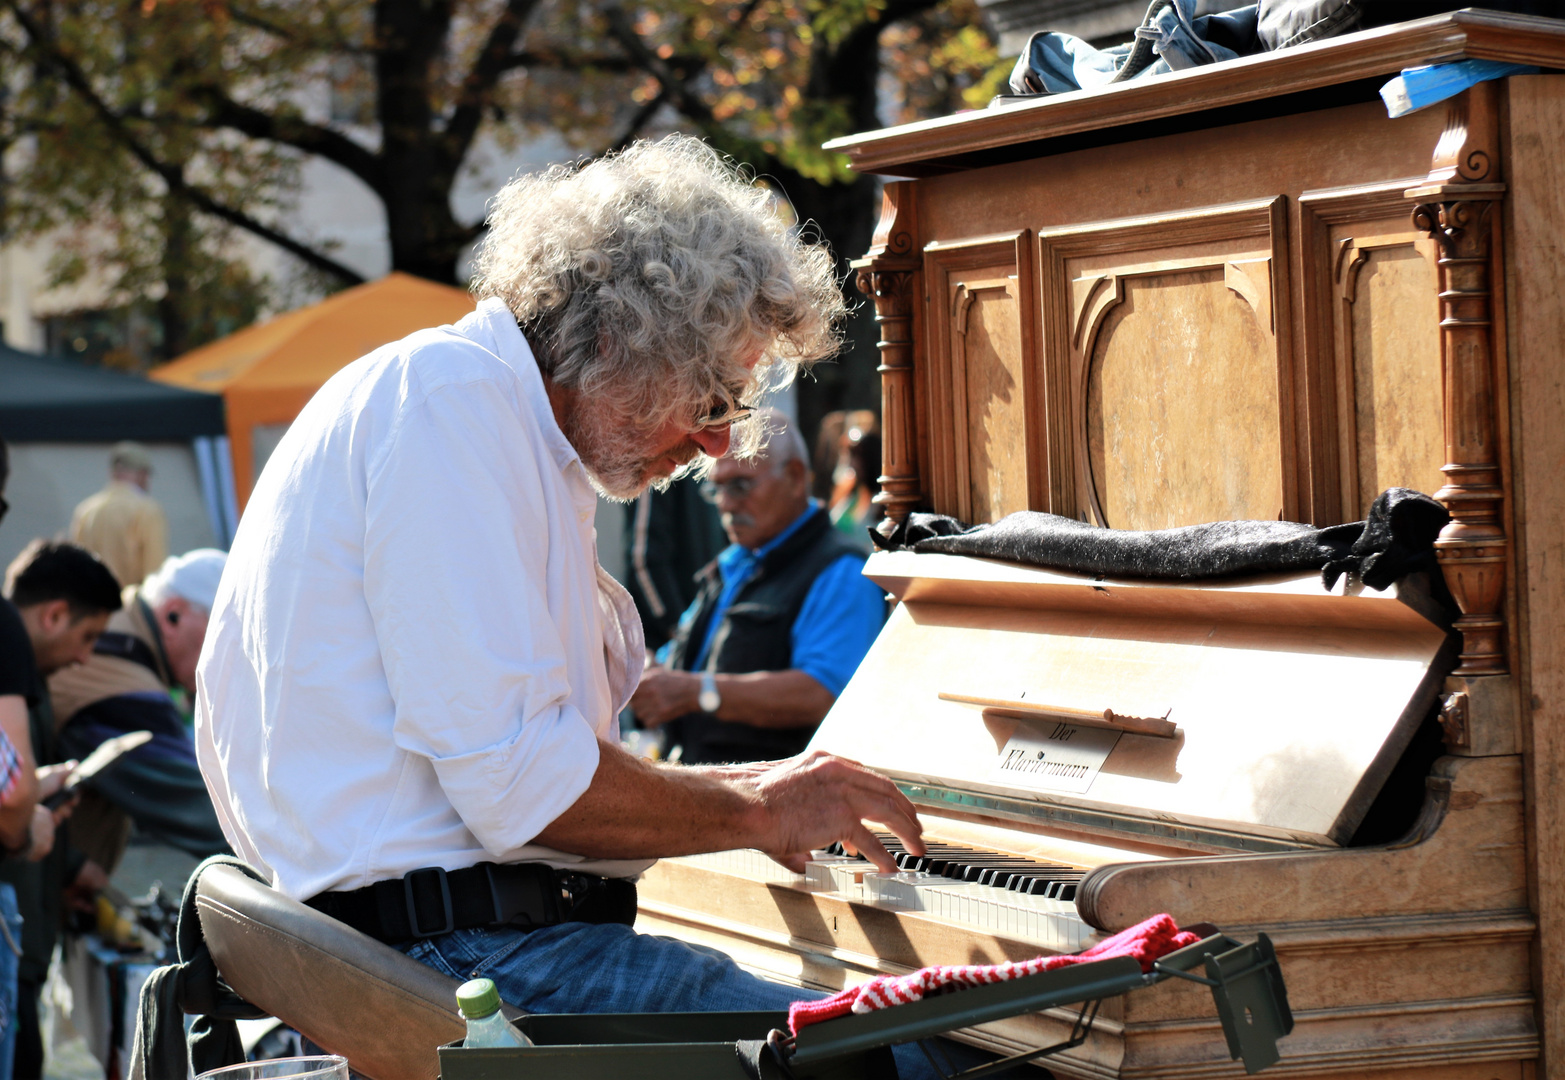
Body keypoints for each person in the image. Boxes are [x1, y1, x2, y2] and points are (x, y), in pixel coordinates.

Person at [195, 135, 942, 1077]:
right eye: (711, 395)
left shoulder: (475, 416)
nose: (717, 443)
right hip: (466, 962)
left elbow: (519, 769)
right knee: (904, 1058)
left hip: (451, 946)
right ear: (614, 339)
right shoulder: (451, 406)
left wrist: (763, 792)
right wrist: (757, 806)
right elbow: (523, 787)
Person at [630, 409, 887, 764]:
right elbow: (683, 659)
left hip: (779, 806)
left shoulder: (841, 569)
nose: (726, 503)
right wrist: (643, 667)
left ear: (796, 477)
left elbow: (824, 693)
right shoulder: (734, 564)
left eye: (740, 485)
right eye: (717, 488)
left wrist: (698, 692)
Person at [0, 540, 119, 1080]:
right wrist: (27, 817)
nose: (85, 658)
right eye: (87, 636)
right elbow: (12, 801)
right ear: (53, 615)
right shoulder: (11, 660)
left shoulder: (36, 684)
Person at [49, 549, 231, 874]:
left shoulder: (124, 635)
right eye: (223, 638)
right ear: (173, 615)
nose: (227, 660)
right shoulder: (125, 678)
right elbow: (204, 810)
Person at [623, 476, 726, 652]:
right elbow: (643, 559)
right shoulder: (661, 463)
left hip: (706, 635)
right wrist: (679, 629)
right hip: (666, 644)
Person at [69, 441, 169, 588]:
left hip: (93, 604)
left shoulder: (85, 510)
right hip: (130, 606)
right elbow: (154, 571)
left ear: (113, 472)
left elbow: (76, 566)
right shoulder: (147, 509)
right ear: (142, 474)